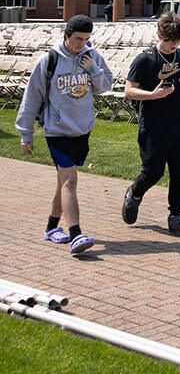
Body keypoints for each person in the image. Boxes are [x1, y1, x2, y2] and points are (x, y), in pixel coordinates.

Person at [15, 15, 113, 255]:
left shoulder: (92, 56)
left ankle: (51, 227)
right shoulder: (48, 61)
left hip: (82, 129)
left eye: (87, 39)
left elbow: (104, 87)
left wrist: (92, 69)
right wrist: (25, 133)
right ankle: (76, 234)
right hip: (56, 130)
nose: (82, 44)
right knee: (70, 180)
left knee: (63, 181)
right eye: (78, 39)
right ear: (66, 34)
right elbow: (32, 98)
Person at [122, 12, 180, 236]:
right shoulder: (145, 59)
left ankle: (176, 215)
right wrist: (154, 95)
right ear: (159, 35)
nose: (173, 46)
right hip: (154, 126)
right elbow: (129, 91)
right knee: (152, 172)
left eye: (177, 42)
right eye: (169, 41)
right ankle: (134, 193)